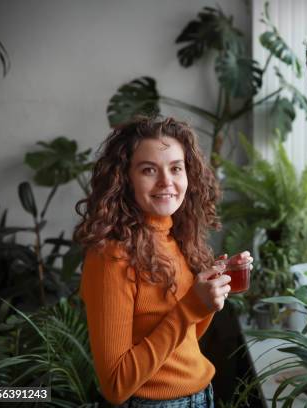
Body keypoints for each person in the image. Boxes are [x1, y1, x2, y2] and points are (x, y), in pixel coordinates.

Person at [74, 116, 251, 407]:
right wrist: (191, 306)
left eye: (176, 168)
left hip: (202, 396)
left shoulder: (176, 238)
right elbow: (115, 385)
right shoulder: (111, 256)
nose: (166, 181)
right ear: (125, 178)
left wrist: (207, 294)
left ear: (188, 175)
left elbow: (185, 338)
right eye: (148, 170)